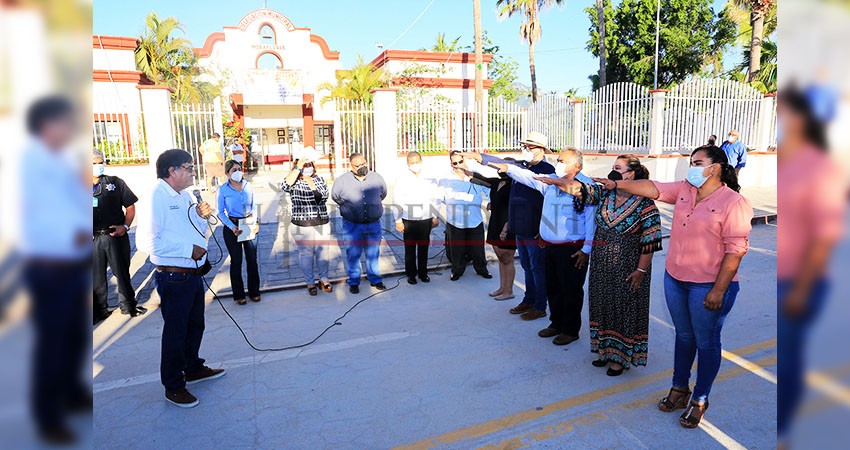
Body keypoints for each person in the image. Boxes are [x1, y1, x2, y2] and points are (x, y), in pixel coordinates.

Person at [593, 145, 752, 428]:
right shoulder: (684, 189)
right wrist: (617, 183)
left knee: (706, 342)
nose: (692, 167)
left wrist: (719, 290)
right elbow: (652, 187)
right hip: (676, 279)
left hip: (709, 285)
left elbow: (736, 250)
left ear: (715, 168)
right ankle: (679, 389)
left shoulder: (734, 202)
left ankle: (700, 399)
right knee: (683, 336)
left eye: (697, 162)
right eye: (691, 162)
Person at [542, 155, 663, 376]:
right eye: (613, 167)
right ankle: (604, 352)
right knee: (601, 305)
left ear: (632, 174)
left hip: (628, 268)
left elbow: (650, 243)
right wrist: (555, 182)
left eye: (619, 168)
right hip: (601, 265)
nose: (614, 172)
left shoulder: (646, 204)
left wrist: (640, 271)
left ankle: (620, 358)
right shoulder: (605, 194)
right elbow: (580, 190)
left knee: (623, 310)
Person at [16, 96, 92, 444]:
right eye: (65, 121)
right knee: (52, 342)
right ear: (48, 124)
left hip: (72, 263)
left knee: (75, 336)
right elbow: (41, 215)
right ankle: (48, 416)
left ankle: (72, 393)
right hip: (49, 265)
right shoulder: (31, 162)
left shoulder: (60, 160)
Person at [776, 87, 847, 443]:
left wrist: (802, 289)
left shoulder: (819, 168)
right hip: (780, 275)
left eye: (782, 112)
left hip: (799, 280)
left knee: (789, 363)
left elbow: (824, 236)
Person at [136, 149, 226, 409]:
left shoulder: (184, 195)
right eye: (187, 167)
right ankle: (174, 386)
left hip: (193, 273)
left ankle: (193, 367)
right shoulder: (155, 198)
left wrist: (203, 216)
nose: (192, 172)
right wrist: (187, 251)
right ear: (171, 170)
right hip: (174, 276)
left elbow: (197, 232)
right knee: (176, 332)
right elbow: (146, 242)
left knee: (195, 325)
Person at [489, 148, 597, 337]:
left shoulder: (587, 187)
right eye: (558, 159)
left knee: (570, 290)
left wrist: (587, 249)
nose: (558, 163)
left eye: (562, 161)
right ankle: (555, 324)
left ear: (577, 166)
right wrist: (503, 166)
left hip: (573, 249)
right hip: (549, 246)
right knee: (553, 287)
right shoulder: (551, 181)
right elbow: (527, 177)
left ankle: (570, 331)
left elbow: (591, 220)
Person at [462, 132, 555, 318]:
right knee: (527, 268)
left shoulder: (547, 169)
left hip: (535, 229)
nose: (526, 150)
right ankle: (528, 300)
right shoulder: (520, 166)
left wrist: (543, 228)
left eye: (530, 146)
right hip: (519, 227)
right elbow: (500, 162)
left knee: (538, 269)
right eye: (525, 146)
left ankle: (539, 306)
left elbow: (549, 203)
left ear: (541, 149)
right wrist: (479, 157)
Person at [92, 148, 146, 322]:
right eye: (94, 163)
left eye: (100, 163)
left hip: (115, 235)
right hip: (92, 238)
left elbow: (130, 207)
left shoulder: (115, 183)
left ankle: (128, 305)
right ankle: (99, 310)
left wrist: (125, 226)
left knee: (122, 272)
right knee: (96, 276)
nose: (98, 166)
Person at [331, 153, 387, 294]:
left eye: (363, 163)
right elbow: (335, 197)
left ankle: (374, 278)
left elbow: (383, 194)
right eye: (357, 165)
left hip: (373, 223)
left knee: (373, 252)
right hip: (352, 225)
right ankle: (354, 281)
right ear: (351, 166)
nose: (361, 167)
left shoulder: (377, 178)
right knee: (353, 253)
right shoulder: (342, 181)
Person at [282, 153, 333, 296]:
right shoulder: (294, 181)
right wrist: (298, 168)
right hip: (302, 224)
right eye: (304, 165)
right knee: (306, 254)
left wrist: (311, 182)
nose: (307, 167)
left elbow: (324, 196)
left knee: (323, 252)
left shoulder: (319, 179)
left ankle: (324, 278)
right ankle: (310, 282)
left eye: (309, 164)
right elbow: (284, 185)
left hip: (322, 221)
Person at [467, 158, 517, 300]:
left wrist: (507, 228)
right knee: (501, 257)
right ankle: (502, 287)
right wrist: (464, 167)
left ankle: (509, 291)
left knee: (507, 258)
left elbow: (515, 207)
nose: (499, 170)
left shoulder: (515, 186)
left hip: (507, 224)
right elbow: (481, 179)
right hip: (495, 222)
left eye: (503, 167)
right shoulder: (496, 182)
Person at [438, 151, 491, 281]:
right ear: (451, 164)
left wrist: (490, 200)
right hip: (456, 220)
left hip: (475, 219)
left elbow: (489, 188)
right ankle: (457, 271)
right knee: (457, 249)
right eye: (455, 163)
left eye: (460, 161)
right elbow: (439, 196)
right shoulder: (446, 179)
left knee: (478, 248)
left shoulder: (475, 175)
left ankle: (481, 269)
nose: (458, 165)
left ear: (464, 160)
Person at [217, 159, 261, 305]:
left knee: (252, 260)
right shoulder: (223, 189)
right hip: (233, 226)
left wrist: (255, 222)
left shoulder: (248, 186)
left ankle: (254, 291)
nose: (238, 172)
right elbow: (220, 213)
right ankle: (239, 295)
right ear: (228, 174)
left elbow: (254, 205)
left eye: (239, 169)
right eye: (234, 170)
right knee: (236, 261)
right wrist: (232, 227)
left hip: (248, 223)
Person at [393, 151, 439, 285]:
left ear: (421, 161)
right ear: (407, 164)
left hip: (426, 218)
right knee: (410, 249)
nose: (415, 165)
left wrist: (435, 215)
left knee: (424, 248)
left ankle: (423, 273)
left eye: (417, 162)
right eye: (412, 163)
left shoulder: (429, 177)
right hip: (409, 219)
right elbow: (397, 199)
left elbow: (434, 197)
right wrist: (398, 220)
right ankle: (411, 274)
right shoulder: (402, 178)